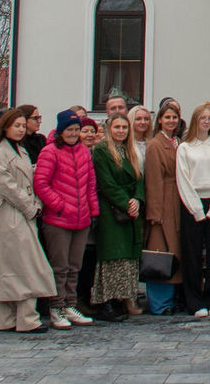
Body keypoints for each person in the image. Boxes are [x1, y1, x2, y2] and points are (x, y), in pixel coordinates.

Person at [0, 108, 55, 333]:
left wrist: (35, 201)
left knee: (18, 265)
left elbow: (27, 180)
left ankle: (11, 318)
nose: (21, 130)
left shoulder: (21, 151)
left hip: (21, 212)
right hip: (9, 213)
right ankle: (24, 319)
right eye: (17, 126)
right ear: (5, 127)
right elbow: (6, 186)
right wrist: (30, 206)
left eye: (23, 125)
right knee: (22, 266)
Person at [33, 109, 98, 327]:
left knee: (74, 266)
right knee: (59, 267)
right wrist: (60, 205)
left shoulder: (84, 152)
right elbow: (41, 183)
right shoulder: (50, 152)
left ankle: (70, 304)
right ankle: (56, 307)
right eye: (69, 129)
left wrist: (92, 210)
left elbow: (90, 184)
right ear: (61, 131)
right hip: (58, 220)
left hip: (81, 218)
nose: (73, 133)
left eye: (76, 129)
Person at [176, 101, 210, 318]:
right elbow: (183, 179)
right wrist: (197, 210)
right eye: (203, 118)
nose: (206, 122)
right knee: (192, 254)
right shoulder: (185, 147)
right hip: (192, 203)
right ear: (195, 120)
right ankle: (195, 301)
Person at [89, 112, 144, 320]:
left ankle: (125, 298)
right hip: (112, 210)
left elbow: (139, 178)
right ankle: (108, 301)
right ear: (109, 129)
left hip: (130, 208)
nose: (121, 131)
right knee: (113, 256)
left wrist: (137, 199)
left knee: (128, 257)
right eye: (117, 127)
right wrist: (126, 202)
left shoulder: (130, 150)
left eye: (124, 127)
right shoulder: (102, 150)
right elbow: (106, 183)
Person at [142, 102, 183, 314]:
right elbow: (153, 180)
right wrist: (155, 212)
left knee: (174, 251)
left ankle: (172, 298)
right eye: (167, 117)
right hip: (164, 201)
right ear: (159, 120)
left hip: (177, 200)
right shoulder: (155, 145)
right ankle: (159, 303)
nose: (171, 121)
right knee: (160, 252)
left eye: (174, 117)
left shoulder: (177, 142)